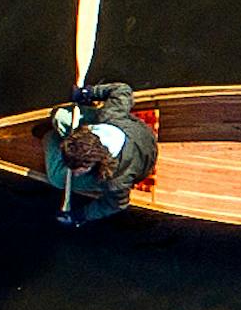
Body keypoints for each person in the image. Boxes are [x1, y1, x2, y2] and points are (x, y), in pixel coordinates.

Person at [46, 81, 159, 225]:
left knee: (56, 177)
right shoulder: (109, 116)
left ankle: (50, 139)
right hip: (139, 135)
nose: (74, 172)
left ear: (92, 164)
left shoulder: (115, 180)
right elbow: (122, 90)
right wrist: (89, 93)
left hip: (140, 158)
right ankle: (54, 141)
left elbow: (117, 204)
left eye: (77, 170)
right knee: (60, 116)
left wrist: (81, 215)